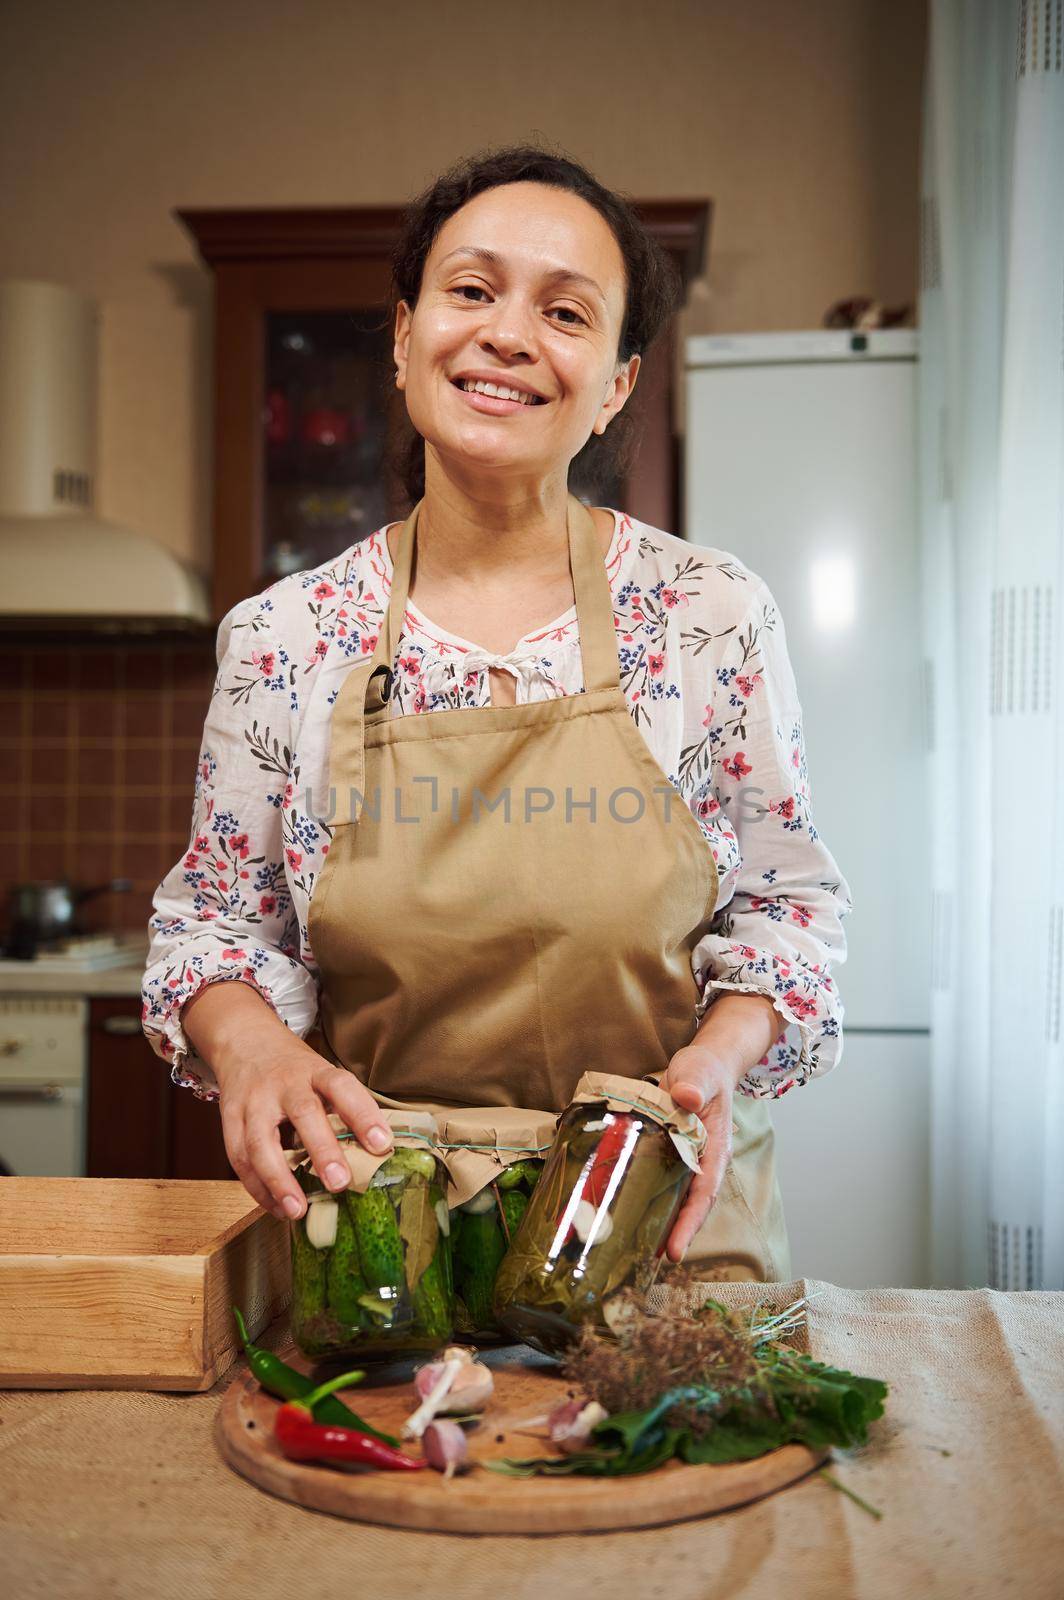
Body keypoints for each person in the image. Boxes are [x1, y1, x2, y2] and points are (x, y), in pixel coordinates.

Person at [142, 144, 852, 1281]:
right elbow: (216, 930)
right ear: (401, 334)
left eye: (565, 312)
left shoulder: (705, 614)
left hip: (653, 1211)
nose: (508, 334)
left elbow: (788, 908)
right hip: (380, 1242)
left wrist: (717, 1058)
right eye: (470, 290)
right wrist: (249, 1045)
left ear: (615, 385)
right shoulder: (284, 639)